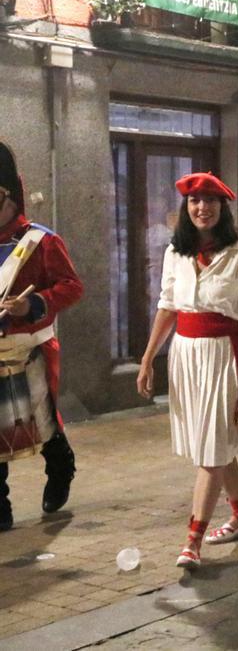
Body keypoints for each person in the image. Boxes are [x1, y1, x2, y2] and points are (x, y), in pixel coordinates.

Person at [137, 172, 238, 569]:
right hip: (186, 355)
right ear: (186, 208)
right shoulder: (175, 254)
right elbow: (167, 307)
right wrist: (147, 358)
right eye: (195, 201)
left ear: (222, 208)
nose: (202, 208)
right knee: (212, 441)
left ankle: (192, 540)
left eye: (210, 201)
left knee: (211, 449)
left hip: (225, 355)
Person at [0, 142, 84, 532]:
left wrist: (32, 306)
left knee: (43, 423)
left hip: (29, 348)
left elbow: (72, 287)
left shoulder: (41, 240)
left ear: (10, 197)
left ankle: (61, 465)